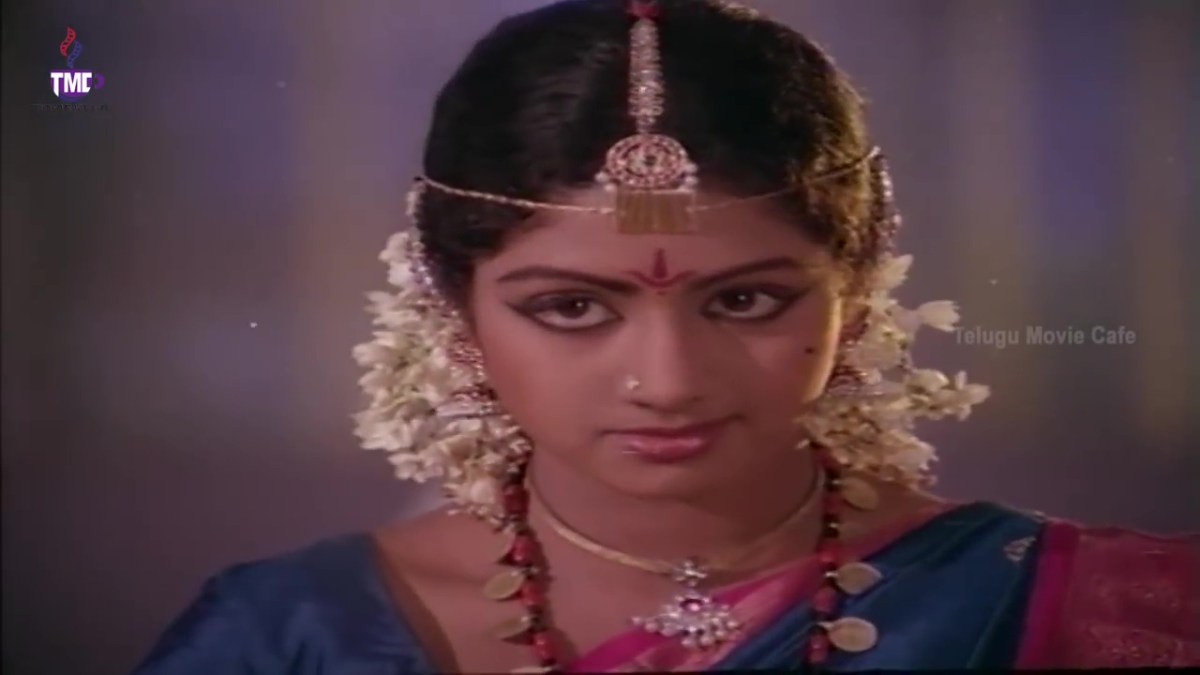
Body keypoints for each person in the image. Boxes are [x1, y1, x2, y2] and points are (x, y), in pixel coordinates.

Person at [130, 1, 1198, 672]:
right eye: (572, 308)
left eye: (745, 301)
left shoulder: (1101, 610)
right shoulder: (288, 635)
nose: (667, 380)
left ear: (859, 290)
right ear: (453, 306)